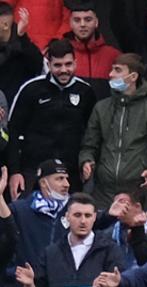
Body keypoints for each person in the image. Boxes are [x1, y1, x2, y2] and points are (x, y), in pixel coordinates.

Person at [6, 40, 94, 196]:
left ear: (75, 62)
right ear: (49, 64)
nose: (64, 70)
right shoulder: (31, 88)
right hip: (32, 171)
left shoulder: (85, 91)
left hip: (70, 173)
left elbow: (93, 134)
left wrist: (86, 161)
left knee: (69, 218)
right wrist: (15, 171)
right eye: (58, 65)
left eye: (68, 64)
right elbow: (13, 130)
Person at [77, 53, 147, 208]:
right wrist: (86, 161)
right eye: (112, 70)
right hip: (103, 191)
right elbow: (89, 145)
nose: (111, 74)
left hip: (138, 191)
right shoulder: (101, 107)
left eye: (117, 70)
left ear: (133, 76)